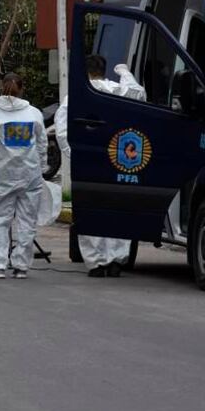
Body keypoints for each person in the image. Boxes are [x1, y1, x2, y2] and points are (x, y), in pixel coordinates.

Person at [56, 55, 145, 277]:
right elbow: (138, 93)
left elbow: (62, 130)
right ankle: (116, 259)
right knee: (117, 207)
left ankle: (96, 262)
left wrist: (74, 154)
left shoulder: (76, 97)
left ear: (85, 72)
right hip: (118, 158)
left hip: (89, 159)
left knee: (91, 208)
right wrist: (125, 73)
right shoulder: (117, 90)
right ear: (104, 71)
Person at [0, 73, 48, 279]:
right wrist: (42, 167)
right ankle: (21, 266)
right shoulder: (33, 113)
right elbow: (42, 144)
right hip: (30, 174)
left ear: (1, 88)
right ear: (22, 88)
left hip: (4, 175)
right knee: (27, 221)